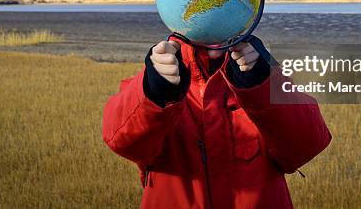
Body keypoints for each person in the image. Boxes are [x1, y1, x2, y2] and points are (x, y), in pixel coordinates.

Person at [102, 35, 331, 208]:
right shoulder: (161, 75)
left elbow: (308, 143)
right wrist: (153, 92)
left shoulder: (261, 72)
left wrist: (264, 82)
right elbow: (121, 140)